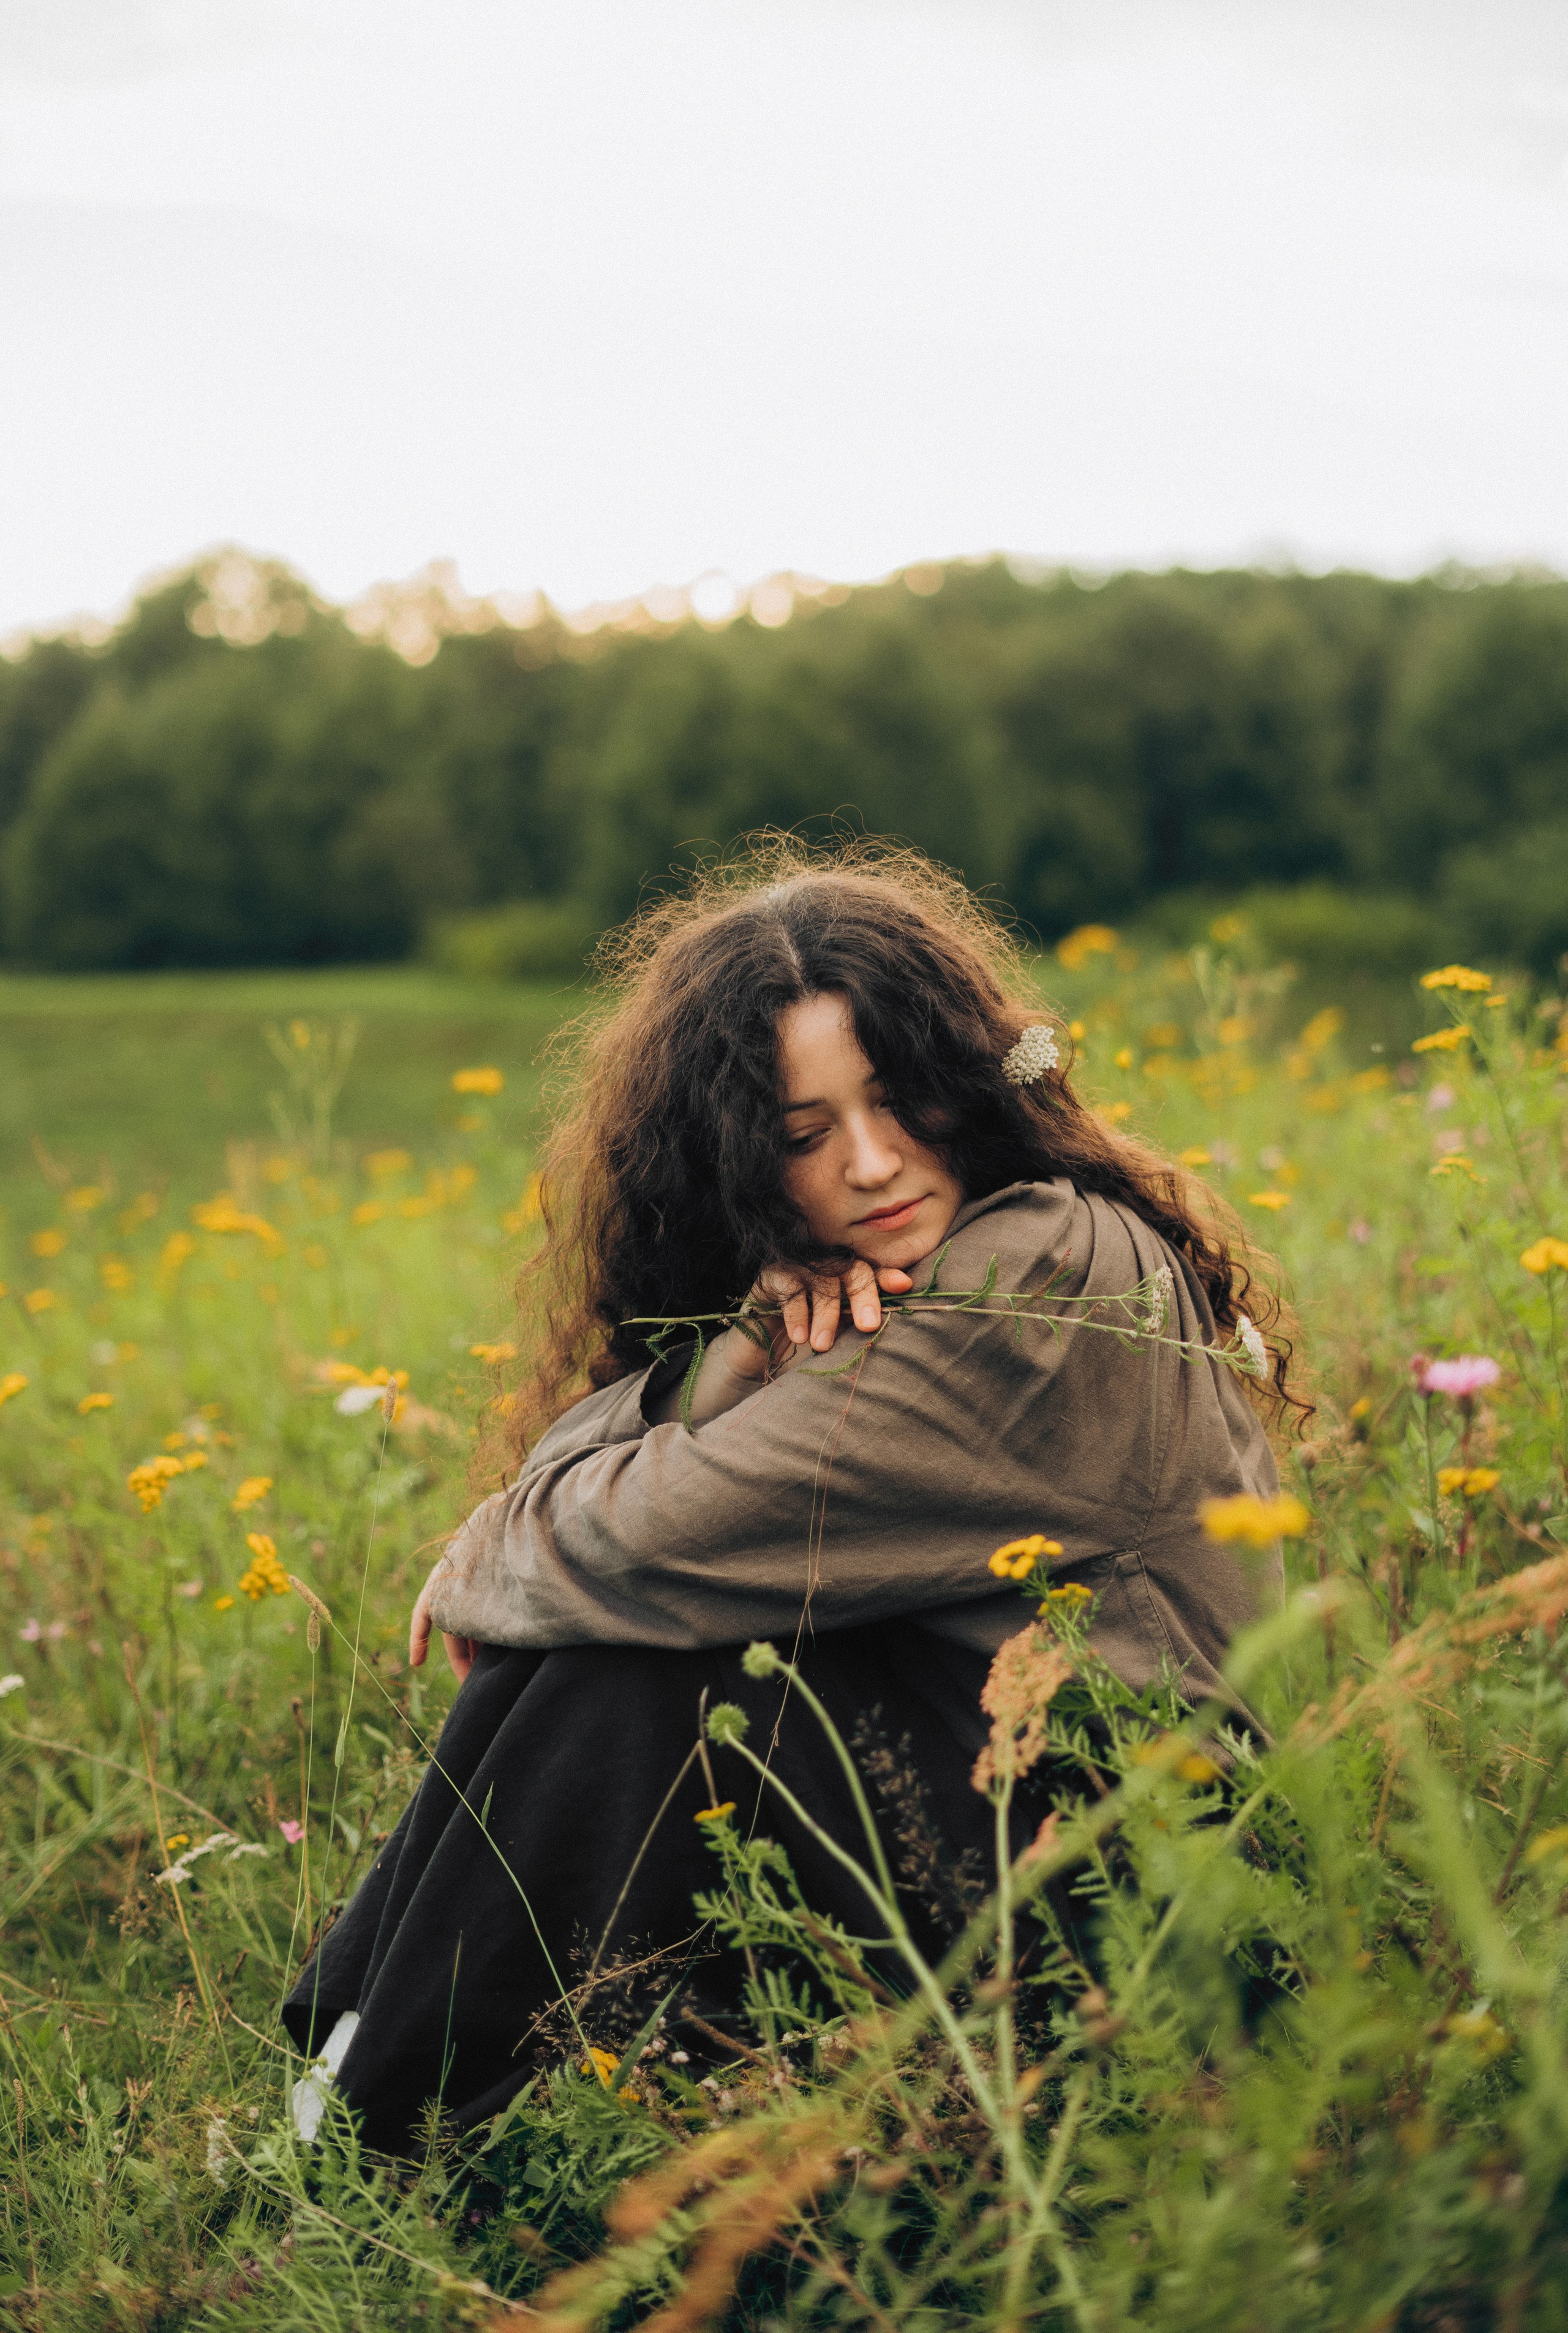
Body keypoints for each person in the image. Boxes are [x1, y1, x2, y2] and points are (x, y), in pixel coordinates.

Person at [282, 847, 1291, 2152]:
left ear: (966, 1087)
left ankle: (370, 2126)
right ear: (742, 1173)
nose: (872, 1166)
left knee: (641, 1663)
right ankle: (374, 2080)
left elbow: (653, 1534)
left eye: (899, 1104)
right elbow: (630, 1520)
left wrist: (491, 1545)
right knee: (646, 1638)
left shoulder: (1039, 1269)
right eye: (805, 1138)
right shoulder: (887, 1285)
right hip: (1019, 1826)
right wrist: (750, 1345)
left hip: (1162, 1895)